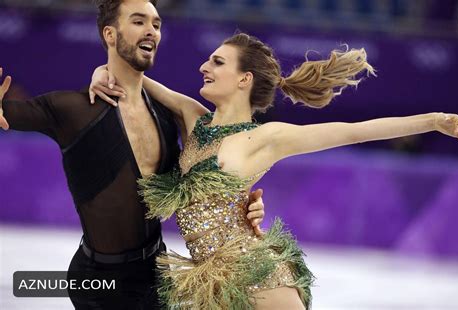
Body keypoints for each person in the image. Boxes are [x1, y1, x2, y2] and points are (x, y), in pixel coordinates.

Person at [90, 33, 458, 309]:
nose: (204, 66)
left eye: (218, 62)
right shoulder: (193, 118)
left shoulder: (268, 137)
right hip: (208, 283)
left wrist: (433, 120)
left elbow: (355, 131)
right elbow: (127, 78)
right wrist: (98, 73)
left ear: (244, 79)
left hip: (256, 276)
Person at [0, 1, 266, 308]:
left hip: (157, 271)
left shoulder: (170, 116)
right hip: (98, 280)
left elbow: (216, 169)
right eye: (139, 22)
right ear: (110, 35)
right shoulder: (70, 109)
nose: (151, 30)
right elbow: (10, 113)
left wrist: (245, 203)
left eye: (156, 24)